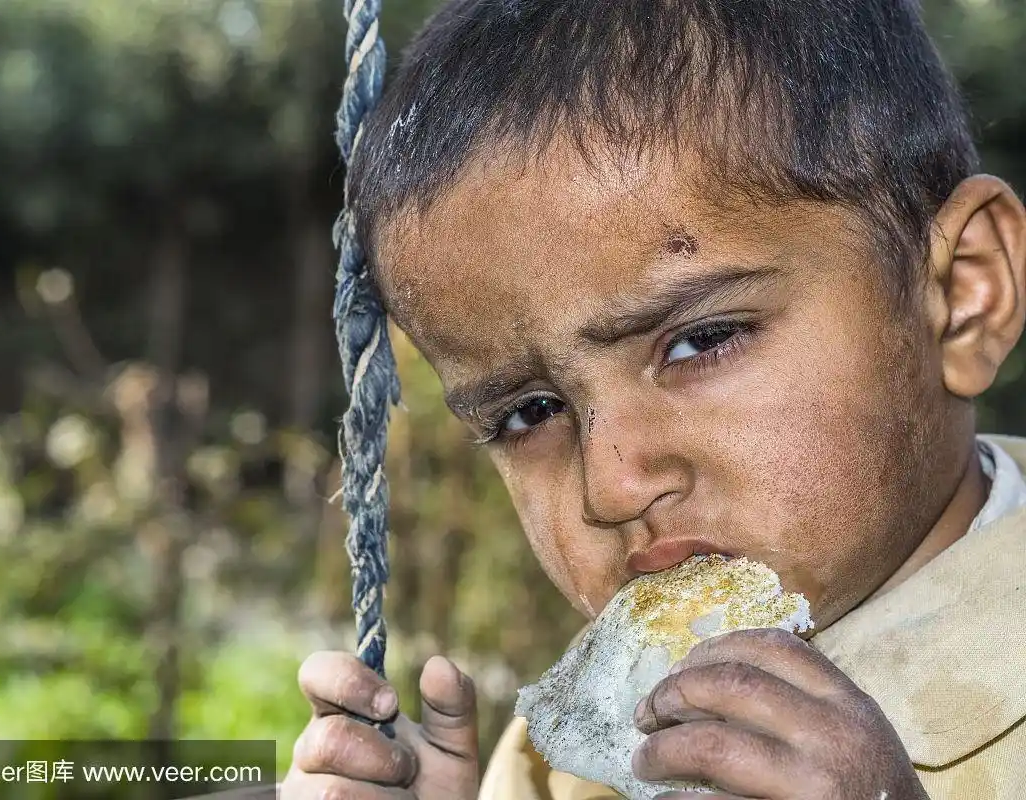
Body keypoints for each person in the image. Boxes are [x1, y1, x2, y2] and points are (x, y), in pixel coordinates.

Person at [282, 0, 1026, 797]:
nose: (613, 485)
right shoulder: (563, 762)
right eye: (529, 413)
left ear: (962, 293)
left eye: (700, 341)